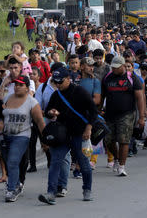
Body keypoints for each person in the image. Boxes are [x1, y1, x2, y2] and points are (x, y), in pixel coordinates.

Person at [39, 67, 97, 205]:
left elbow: (93, 111)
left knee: (84, 164)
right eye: (56, 82)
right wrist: (51, 112)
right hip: (62, 135)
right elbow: (47, 111)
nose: (58, 85)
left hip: (80, 134)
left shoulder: (80, 92)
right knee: (55, 162)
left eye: (61, 82)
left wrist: (88, 128)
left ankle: (87, 190)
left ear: (68, 79)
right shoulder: (56, 94)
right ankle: (51, 193)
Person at [1, 75, 45, 202]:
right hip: (6, 136)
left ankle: (11, 190)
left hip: (22, 136)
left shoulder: (32, 102)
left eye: (20, 85)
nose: (17, 87)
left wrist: (45, 139)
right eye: (16, 84)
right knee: (10, 162)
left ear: (27, 88)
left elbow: (40, 122)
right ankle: (16, 184)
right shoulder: (8, 98)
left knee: (13, 161)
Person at [101, 56, 145, 176]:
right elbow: (102, 96)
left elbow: (140, 98)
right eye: (113, 67)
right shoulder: (107, 78)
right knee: (108, 140)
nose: (114, 70)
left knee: (123, 140)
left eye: (117, 67)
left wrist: (142, 117)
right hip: (110, 114)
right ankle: (116, 158)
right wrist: (99, 111)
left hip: (127, 113)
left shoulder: (131, 78)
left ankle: (122, 166)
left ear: (123, 66)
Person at [79, 57, 102, 169]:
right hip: (76, 115)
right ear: (82, 66)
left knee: (92, 138)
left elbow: (97, 99)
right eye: (89, 65)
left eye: (93, 66)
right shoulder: (75, 80)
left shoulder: (95, 81)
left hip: (90, 114)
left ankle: (91, 162)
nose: (91, 68)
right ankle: (78, 163)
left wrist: (83, 105)